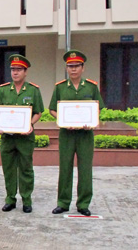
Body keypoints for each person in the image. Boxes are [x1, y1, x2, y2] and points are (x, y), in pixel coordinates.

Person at [49, 50, 105, 217]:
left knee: (85, 169)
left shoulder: (91, 87)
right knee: (65, 168)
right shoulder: (60, 87)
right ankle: (63, 203)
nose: (73, 69)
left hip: (85, 135)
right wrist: (63, 120)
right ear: (66, 68)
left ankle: (83, 203)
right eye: (70, 66)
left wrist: (93, 121)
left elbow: (98, 108)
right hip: (67, 134)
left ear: (83, 68)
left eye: (76, 66)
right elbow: (52, 109)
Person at [0, 55, 44, 213]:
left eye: (19, 69)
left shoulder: (33, 90)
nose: (15, 72)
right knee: (8, 169)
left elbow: (38, 112)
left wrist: (30, 124)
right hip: (7, 138)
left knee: (26, 169)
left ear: (25, 71)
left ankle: (27, 200)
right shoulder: (3, 90)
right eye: (13, 69)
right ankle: (10, 199)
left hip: (25, 138)